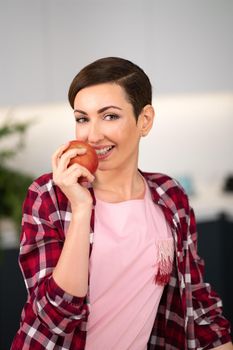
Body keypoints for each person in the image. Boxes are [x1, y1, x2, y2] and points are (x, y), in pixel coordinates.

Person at [11, 57, 232, 350]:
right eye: (82, 118)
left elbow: (195, 301)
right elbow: (55, 319)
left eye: (110, 116)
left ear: (145, 120)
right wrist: (80, 209)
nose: (93, 134)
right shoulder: (49, 195)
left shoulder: (170, 196)